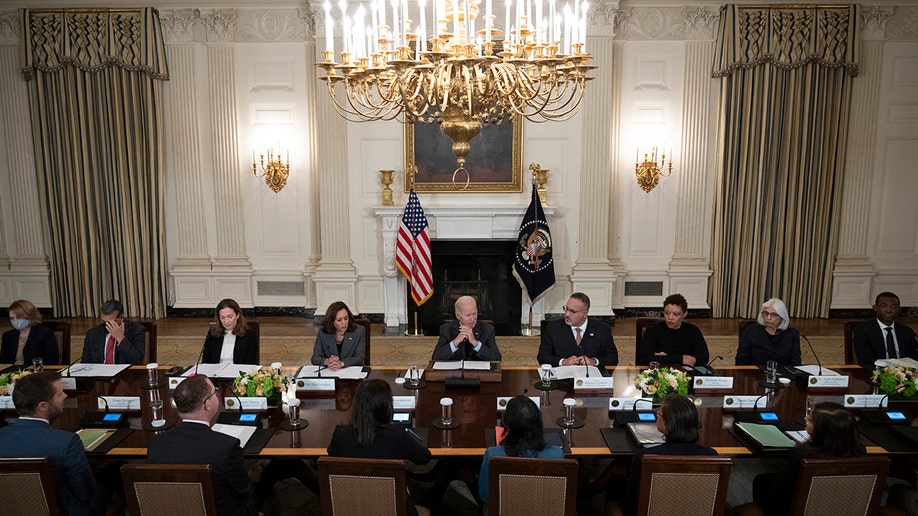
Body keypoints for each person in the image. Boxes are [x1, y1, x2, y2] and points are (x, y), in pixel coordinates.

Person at [147, 374, 258, 516]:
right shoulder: (226, 447)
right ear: (207, 405)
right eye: (214, 392)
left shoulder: (156, 444)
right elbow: (243, 491)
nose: (216, 394)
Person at [326, 379, 431, 515]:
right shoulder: (397, 435)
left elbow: (331, 458)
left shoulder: (340, 434)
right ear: (387, 406)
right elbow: (424, 458)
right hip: (392, 509)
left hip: (351, 507)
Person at [0, 372, 95, 515]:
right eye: (60, 394)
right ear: (42, 406)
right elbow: (85, 493)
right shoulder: (67, 442)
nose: (65, 396)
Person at [752, 402, 866, 515]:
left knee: (761, 481)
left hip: (795, 507)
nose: (805, 417)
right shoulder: (860, 451)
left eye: (811, 420)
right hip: (840, 505)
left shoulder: (801, 455)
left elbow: (779, 492)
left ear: (823, 430)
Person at [619, 394, 717, 514]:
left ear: (667, 424)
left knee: (615, 484)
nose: (656, 416)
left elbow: (633, 502)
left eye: (658, 414)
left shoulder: (645, 457)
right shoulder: (711, 456)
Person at [478, 396, 564, 504]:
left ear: (508, 425)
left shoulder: (492, 455)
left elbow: (484, 495)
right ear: (539, 424)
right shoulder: (557, 455)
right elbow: (558, 498)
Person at [537, 292, 618, 367]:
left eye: (572, 311)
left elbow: (613, 359)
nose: (567, 314)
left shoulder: (602, 330)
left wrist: (594, 361)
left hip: (591, 380)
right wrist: (563, 362)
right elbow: (542, 357)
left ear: (585, 313)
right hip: (562, 381)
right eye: (566, 309)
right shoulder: (554, 327)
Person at [638, 293, 709, 367]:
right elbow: (647, 358)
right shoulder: (652, 330)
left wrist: (664, 358)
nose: (670, 317)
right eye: (667, 313)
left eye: (676, 314)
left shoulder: (693, 331)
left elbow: (703, 359)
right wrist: (681, 359)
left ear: (684, 314)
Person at [854, 292, 918, 367]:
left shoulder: (907, 332)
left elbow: (914, 358)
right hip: (875, 374)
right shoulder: (863, 330)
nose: (889, 310)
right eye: (884, 306)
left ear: (899, 310)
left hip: (905, 374)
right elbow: (865, 361)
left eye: (893, 307)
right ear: (875, 308)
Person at [431, 296, 501, 361]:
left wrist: (475, 343)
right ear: (458, 315)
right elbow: (436, 358)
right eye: (468, 315)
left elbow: (497, 358)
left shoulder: (487, 329)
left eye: (474, 314)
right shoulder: (446, 329)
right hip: (454, 373)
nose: (472, 319)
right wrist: (455, 342)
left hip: (478, 373)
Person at [735, 298, 801, 366]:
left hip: (782, 374)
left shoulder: (792, 334)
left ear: (782, 317)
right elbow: (741, 360)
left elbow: (795, 363)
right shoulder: (751, 331)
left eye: (774, 315)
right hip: (756, 373)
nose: (768, 317)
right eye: (766, 313)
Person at [80, 299, 146, 364]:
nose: (107, 325)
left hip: (124, 373)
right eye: (104, 321)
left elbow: (137, 360)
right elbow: (85, 363)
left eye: (111, 322)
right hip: (99, 373)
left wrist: (121, 338)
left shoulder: (136, 330)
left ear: (121, 317)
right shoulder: (92, 333)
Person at [1, 299, 59, 365]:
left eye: (19, 317)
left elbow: (52, 361)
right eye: (12, 318)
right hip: (12, 373)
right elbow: (3, 362)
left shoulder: (45, 334)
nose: (15, 321)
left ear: (30, 316)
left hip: (36, 372)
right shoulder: (7, 336)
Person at [311, 301, 366, 370]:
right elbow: (315, 358)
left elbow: (360, 357)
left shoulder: (359, 331)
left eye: (346, 318)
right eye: (339, 320)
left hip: (351, 372)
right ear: (332, 321)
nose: (344, 323)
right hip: (330, 373)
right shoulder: (323, 332)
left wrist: (342, 363)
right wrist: (327, 361)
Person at [202, 298, 259, 364]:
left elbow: (251, 363)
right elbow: (205, 362)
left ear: (237, 315)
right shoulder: (212, 334)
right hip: (215, 373)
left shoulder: (249, 334)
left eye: (230, 317)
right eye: (222, 318)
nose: (226, 321)